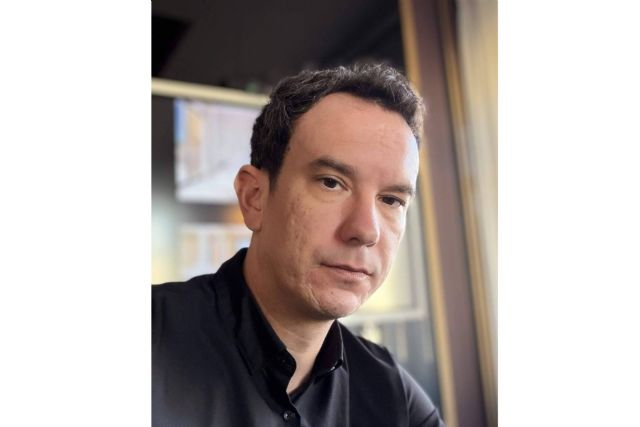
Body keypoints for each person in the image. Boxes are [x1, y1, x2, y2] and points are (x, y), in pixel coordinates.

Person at [152, 63, 445, 427]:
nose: (366, 230)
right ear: (254, 197)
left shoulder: (393, 396)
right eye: (331, 182)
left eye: (391, 200)